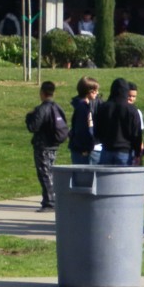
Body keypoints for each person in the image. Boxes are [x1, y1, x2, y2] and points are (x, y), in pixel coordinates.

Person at [25, 81, 67, 212]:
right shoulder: (57, 107)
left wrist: (29, 117)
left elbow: (33, 127)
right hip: (54, 144)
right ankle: (51, 199)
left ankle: (50, 202)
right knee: (50, 172)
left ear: (42, 93)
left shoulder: (42, 109)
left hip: (43, 146)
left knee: (44, 173)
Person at [93, 78, 142, 166]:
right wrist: (137, 153)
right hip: (125, 151)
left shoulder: (103, 107)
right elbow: (136, 133)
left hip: (106, 149)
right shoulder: (131, 109)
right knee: (123, 179)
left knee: (105, 179)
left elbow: (97, 130)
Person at [68, 75, 100, 165]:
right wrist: (87, 147)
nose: (97, 93)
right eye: (95, 91)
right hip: (82, 150)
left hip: (81, 148)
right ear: (90, 92)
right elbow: (83, 129)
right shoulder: (83, 107)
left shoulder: (82, 106)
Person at [128, 82, 144, 165]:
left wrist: (140, 152)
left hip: (133, 150)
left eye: (134, 96)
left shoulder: (137, 112)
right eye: (129, 96)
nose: (131, 98)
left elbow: (139, 133)